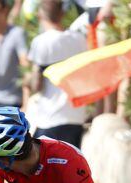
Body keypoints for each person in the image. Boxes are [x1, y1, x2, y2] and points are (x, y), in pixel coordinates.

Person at [27, 0, 88, 149]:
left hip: (50, 117)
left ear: (40, 14)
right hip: (76, 116)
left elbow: (37, 84)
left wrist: (27, 80)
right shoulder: (79, 39)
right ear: (63, 13)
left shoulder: (41, 42)